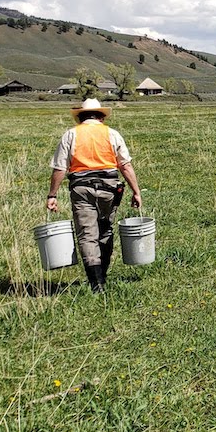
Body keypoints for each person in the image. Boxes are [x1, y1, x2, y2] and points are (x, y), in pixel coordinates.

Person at [46, 99, 142, 293]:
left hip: (81, 189)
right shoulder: (112, 134)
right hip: (109, 188)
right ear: (101, 116)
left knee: (87, 235)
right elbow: (125, 165)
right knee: (105, 230)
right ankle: (102, 275)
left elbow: (60, 168)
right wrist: (136, 192)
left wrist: (52, 195)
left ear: (80, 117)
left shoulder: (71, 134)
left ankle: (96, 283)